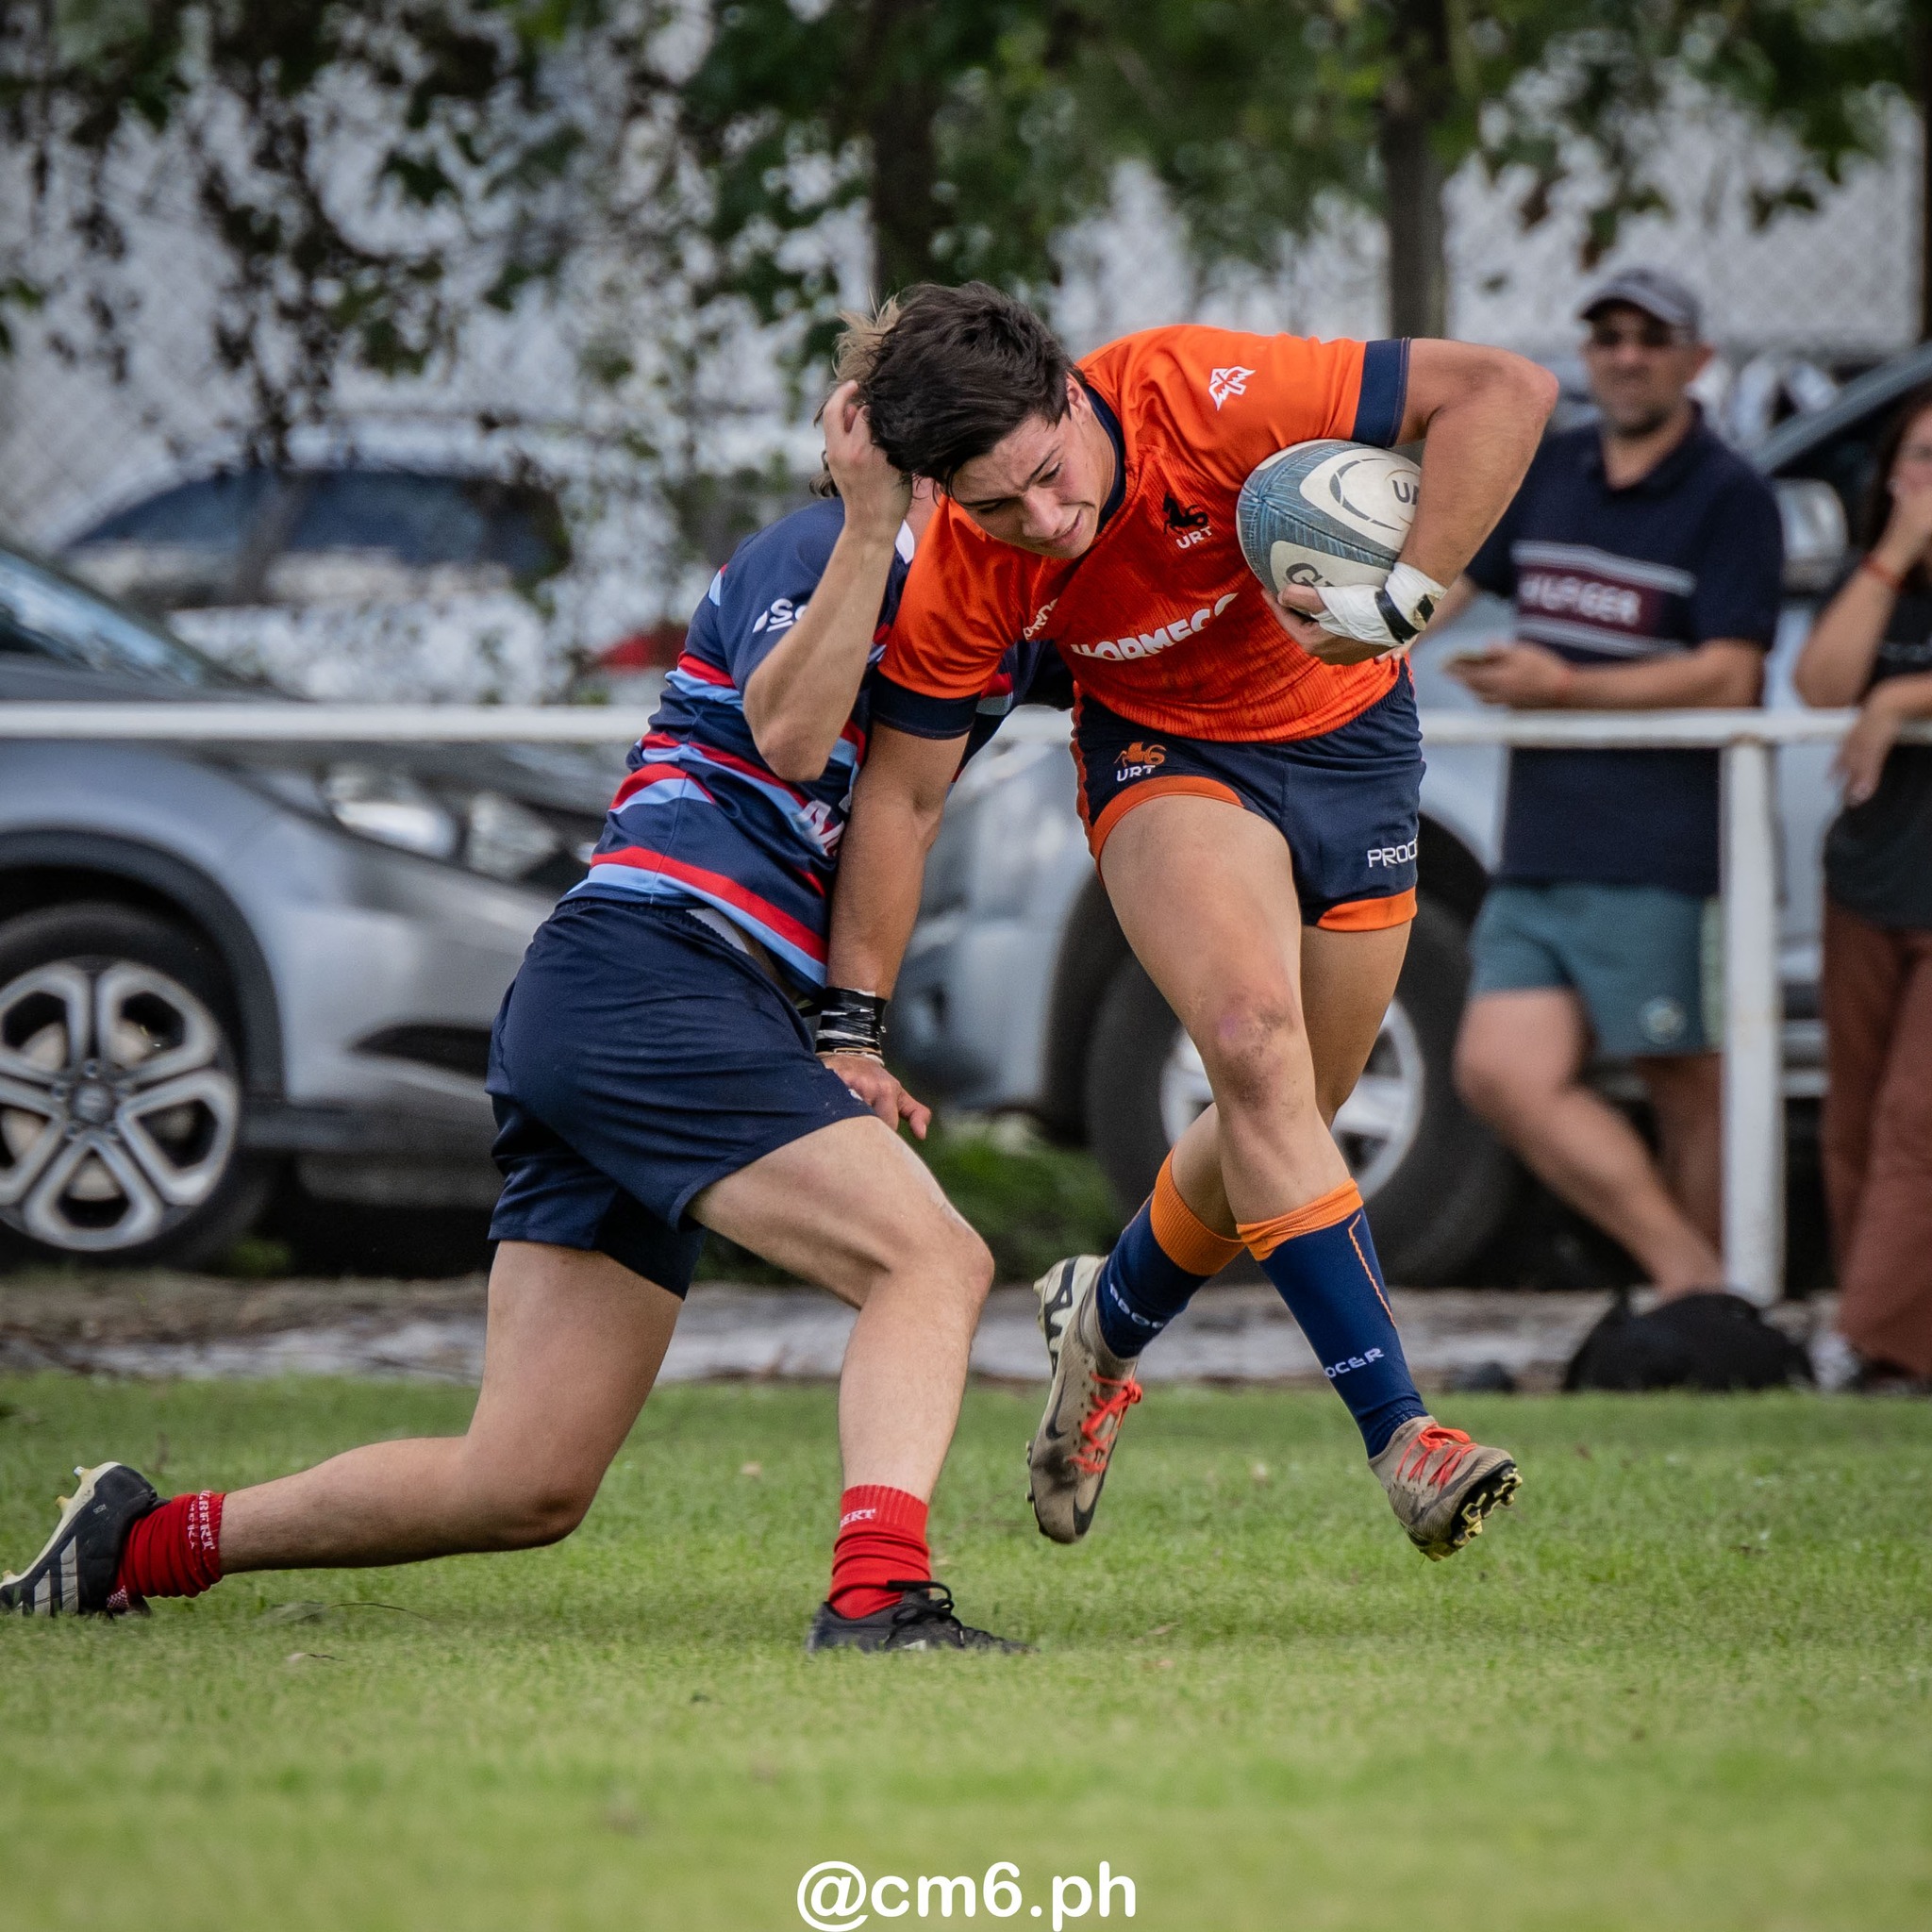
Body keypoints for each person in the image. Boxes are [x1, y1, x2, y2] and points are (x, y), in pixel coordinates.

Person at [2, 370, 1041, 1652]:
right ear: (929, 471)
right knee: (928, 1257)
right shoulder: (827, 545)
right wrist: (874, 517)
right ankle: (878, 1596)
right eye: (1013, 481)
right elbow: (786, 734)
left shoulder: (995, 598)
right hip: (648, 976)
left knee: (524, 1481)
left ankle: (140, 1543)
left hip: (644, 1006)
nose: (1042, 509)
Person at [813, 284, 1556, 1560]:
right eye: (997, 505)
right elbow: (901, 796)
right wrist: (854, 1022)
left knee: (1290, 1119)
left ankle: (1104, 1328)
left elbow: (1505, 390)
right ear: (943, 496)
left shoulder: (1201, 393)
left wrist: (1408, 593)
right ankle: (1405, 1438)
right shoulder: (966, 572)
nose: (1045, 522)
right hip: (1165, 758)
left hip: (1354, 734)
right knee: (1251, 1046)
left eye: (1052, 475)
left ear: (1071, 395)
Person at [1437, 267, 1782, 1300]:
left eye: (1649, 336)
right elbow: (1451, 580)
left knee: (1686, 1083)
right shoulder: (1552, 466)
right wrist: (1342, 633)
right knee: (1496, 1072)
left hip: (1659, 851)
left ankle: (1717, 1310)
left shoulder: (1732, 495)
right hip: (1537, 841)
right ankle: (1693, 1284)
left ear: (1695, 359)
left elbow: (1732, 671)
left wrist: (1562, 685)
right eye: (1606, 336)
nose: (1625, 354)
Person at [1793, 385, 1932, 1391]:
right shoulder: (1874, 575)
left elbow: (1869, 690)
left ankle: (1873, 1343)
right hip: (1869, 881)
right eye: (1917, 459)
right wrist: (1896, 548)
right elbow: (1816, 682)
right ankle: (1878, 1333)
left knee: (1912, 1124)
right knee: (1850, 1119)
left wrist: (1902, 696)